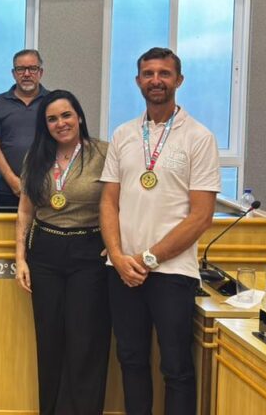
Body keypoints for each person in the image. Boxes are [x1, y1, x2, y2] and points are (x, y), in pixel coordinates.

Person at [100, 47, 220, 415]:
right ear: (138, 81)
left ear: (178, 80)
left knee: (176, 367)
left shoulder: (199, 137)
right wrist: (118, 256)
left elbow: (201, 216)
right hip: (122, 270)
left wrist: (149, 258)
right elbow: (108, 202)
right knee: (131, 359)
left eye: (164, 73)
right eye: (148, 73)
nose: (156, 80)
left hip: (171, 272)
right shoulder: (123, 134)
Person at [14, 90, 110, 415]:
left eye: (66, 115)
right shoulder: (37, 155)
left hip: (89, 252)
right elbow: (25, 210)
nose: (61, 123)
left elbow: (119, 203)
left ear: (79, 116)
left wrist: (115, 244)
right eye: (52, 119)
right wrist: (20, 258)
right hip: (45, 253)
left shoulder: (102, 153)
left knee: (86, 341)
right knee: (50, 340)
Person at [0, 49, 49, 209]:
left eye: (32, 69)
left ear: (41, 72)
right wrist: (13, 181)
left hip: (46, 188)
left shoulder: (52, 102)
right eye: (21, 69)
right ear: (13, 73)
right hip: (7, 189)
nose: (27, 74)